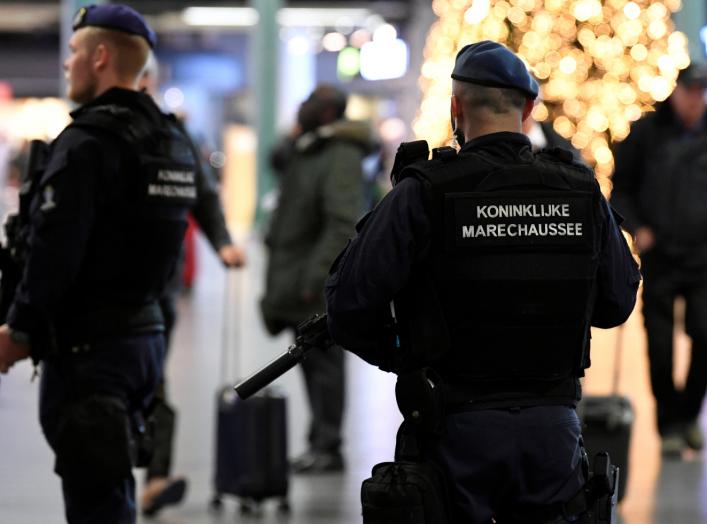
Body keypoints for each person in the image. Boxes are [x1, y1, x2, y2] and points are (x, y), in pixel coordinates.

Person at [326, 41, 640, 522]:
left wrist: (406, 358)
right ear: (529, 109)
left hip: (454, 425)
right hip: (552, 429)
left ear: (456, 107)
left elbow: (348, 304)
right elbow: (616, 303)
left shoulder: (424, 191)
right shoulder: (580, 190)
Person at [0, 5, 201, 522]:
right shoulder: (172, 141)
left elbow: (54, 253)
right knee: (112, 489)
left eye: (73, 53)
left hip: (90, 353)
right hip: (145, 342)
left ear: (101, 57)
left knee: (96, 503)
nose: (67, 64)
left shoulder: (89, 143)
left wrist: (20, 331)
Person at [136, 52, 246, 517]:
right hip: (102, 293)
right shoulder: (90, 137)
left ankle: (156, 477)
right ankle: (131, 477)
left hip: (155, 285)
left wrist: (222, 243)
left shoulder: (170, 136)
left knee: (153, 379)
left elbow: (201, 191)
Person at [261, 85, 376, 473]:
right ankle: (319, 443)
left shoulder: (341, 154)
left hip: (313, 282)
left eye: (309, 102)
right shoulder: (310, 147)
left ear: (327, 113)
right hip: (298, 279)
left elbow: (343, 221)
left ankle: (329, 446)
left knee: (325, 367)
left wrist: (317, 276)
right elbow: (276, 160)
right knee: (312, 365)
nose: (301, 106)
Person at [611, 63, 707, 457]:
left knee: (705, 335)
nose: (695, 101)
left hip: (703, 257)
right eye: (690, 92)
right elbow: (621, 189)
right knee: (661, 344)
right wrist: (638, 229)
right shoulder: (646, 133)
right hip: (661, 257)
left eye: (702, 93)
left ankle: (687, 417)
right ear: (677, 91)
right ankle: (669, 423)